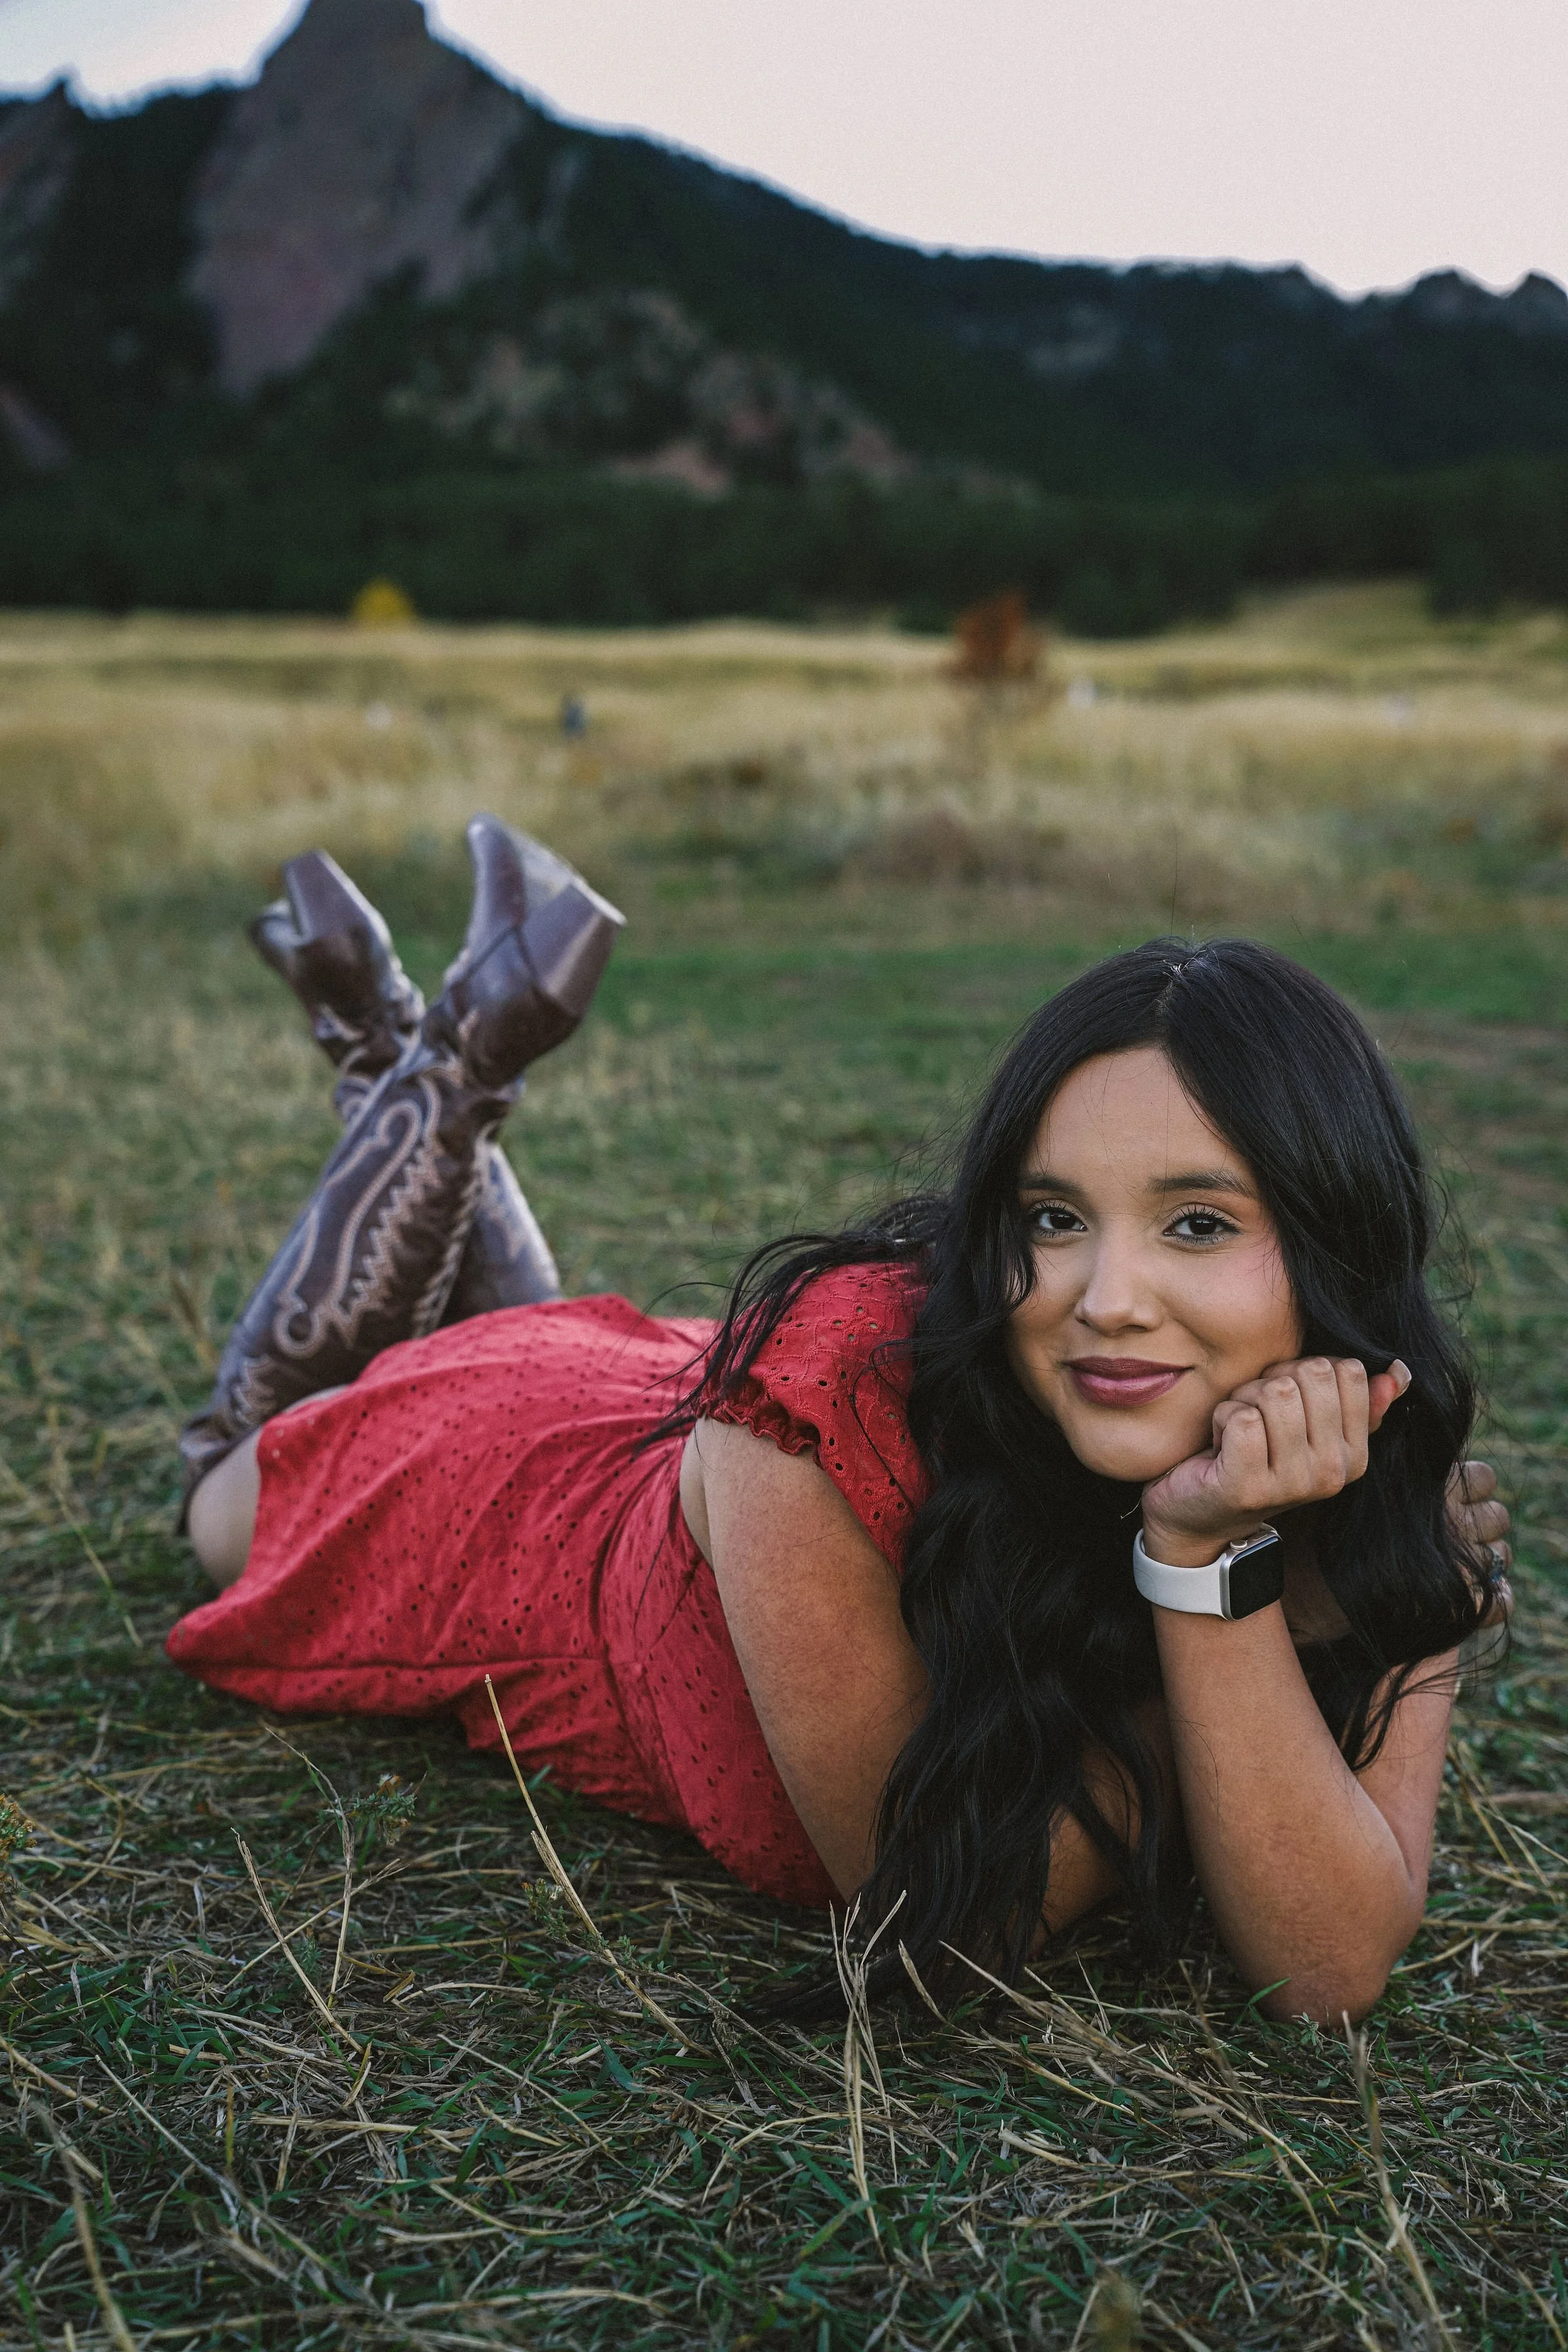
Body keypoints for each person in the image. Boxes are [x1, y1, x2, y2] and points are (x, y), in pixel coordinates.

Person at [170, 819, 1511, 2023]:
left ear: (1339, 1251)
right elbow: (956, 1917)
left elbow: (1330, 1968)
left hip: (664, 1419)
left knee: (501, 1330)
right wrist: (1234, 1593)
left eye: (1199, 1224)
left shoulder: (1373, 1442)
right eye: (1051, 1219)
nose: (1105, 1299)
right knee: (223, 1480)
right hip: (526, 1508)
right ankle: (447, 1066)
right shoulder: (815, 1419)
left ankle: (397, 1047)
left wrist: (1257, 1571)